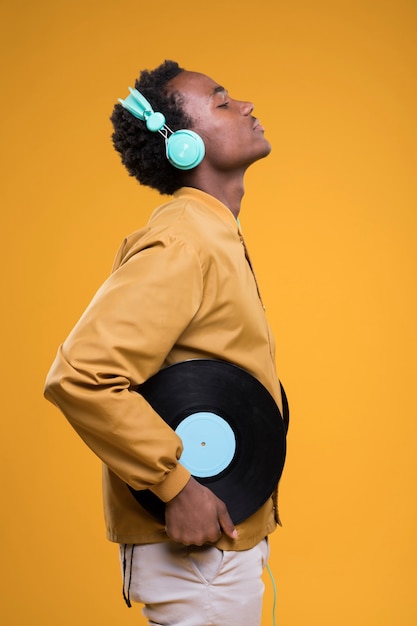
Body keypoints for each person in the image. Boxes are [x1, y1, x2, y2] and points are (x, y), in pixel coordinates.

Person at [44, 59, 289, 626]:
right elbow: (80, 375)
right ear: (182, 145)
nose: (247, 105)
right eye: (224, 101)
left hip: (221, 551)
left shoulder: (210, 235)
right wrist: (175, 485)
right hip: (199, 562)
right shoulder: (184, 241)